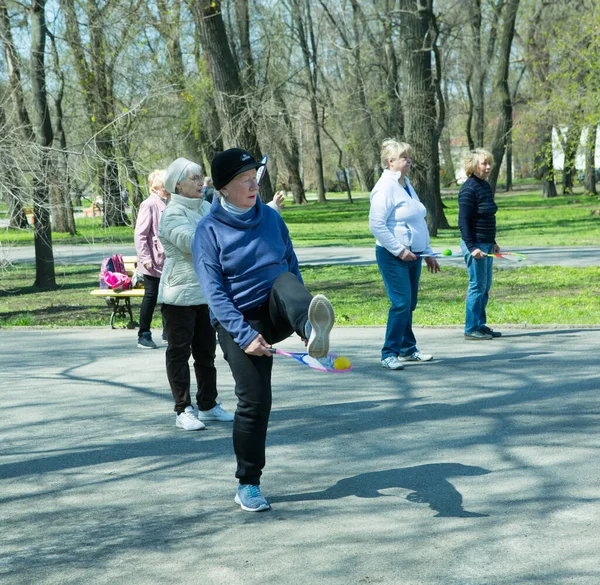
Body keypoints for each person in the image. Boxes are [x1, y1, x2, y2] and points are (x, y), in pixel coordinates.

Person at [192, 148, 335, 512]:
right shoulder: (208, 231)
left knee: (286, 278)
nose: (253, 183)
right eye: (244, 179)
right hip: (238, 319)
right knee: (256, 401)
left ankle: (312, 329)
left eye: (255, 175)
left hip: (278, 307)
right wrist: (244, 336)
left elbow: (291, 264)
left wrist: (301, 320)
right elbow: (214, 294)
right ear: (223, 188)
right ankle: (248, 483)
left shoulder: (270, 218)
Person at [158, 157, 235, 431]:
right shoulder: (172, 213)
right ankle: (183, 409)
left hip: (206, 293)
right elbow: (192, 243)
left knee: (206, 354)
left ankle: (208, 405)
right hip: (178, 295)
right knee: (179, 354)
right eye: (194, 178)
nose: (201, 182)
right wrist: (219, 228)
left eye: (201, 177)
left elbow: (230, 228)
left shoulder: (205, 207)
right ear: (178, 185)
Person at [369, 139, 440, 371]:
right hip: (393, 255)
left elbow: (418, 220)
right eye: (403, 157)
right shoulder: (385, 187)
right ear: (390, 162)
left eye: (408, 156)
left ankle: (408, 349)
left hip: (415, 255)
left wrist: (428, 252)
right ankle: (389, 353)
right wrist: (399, 250)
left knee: (410, 303)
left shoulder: (406, 184)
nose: (408, 160)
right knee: (401, 303)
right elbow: (377, 225)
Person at [458, 148, 502, 340]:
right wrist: (472, 247)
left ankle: (480, 324)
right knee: (477, 286)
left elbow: (486, 217)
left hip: (486, 244)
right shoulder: (468, 189)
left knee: (485, 286)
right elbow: (463, 222)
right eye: (484, 163)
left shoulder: (484, 186)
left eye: (489, 163)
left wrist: (493, 242)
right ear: (473, 165)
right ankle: (470, 328)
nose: (488, 167)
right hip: (474, 245)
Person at [134, 170, 169, 349]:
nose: (168, 190)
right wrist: (145, 257)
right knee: (151, 296)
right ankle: (144, 334)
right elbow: (140, 234)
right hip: (153, 261)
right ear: (155, 188)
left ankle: (167, 332)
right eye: (165, 188)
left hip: (168, 260)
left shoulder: (169, 202)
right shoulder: (148, 204)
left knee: (168, 297)